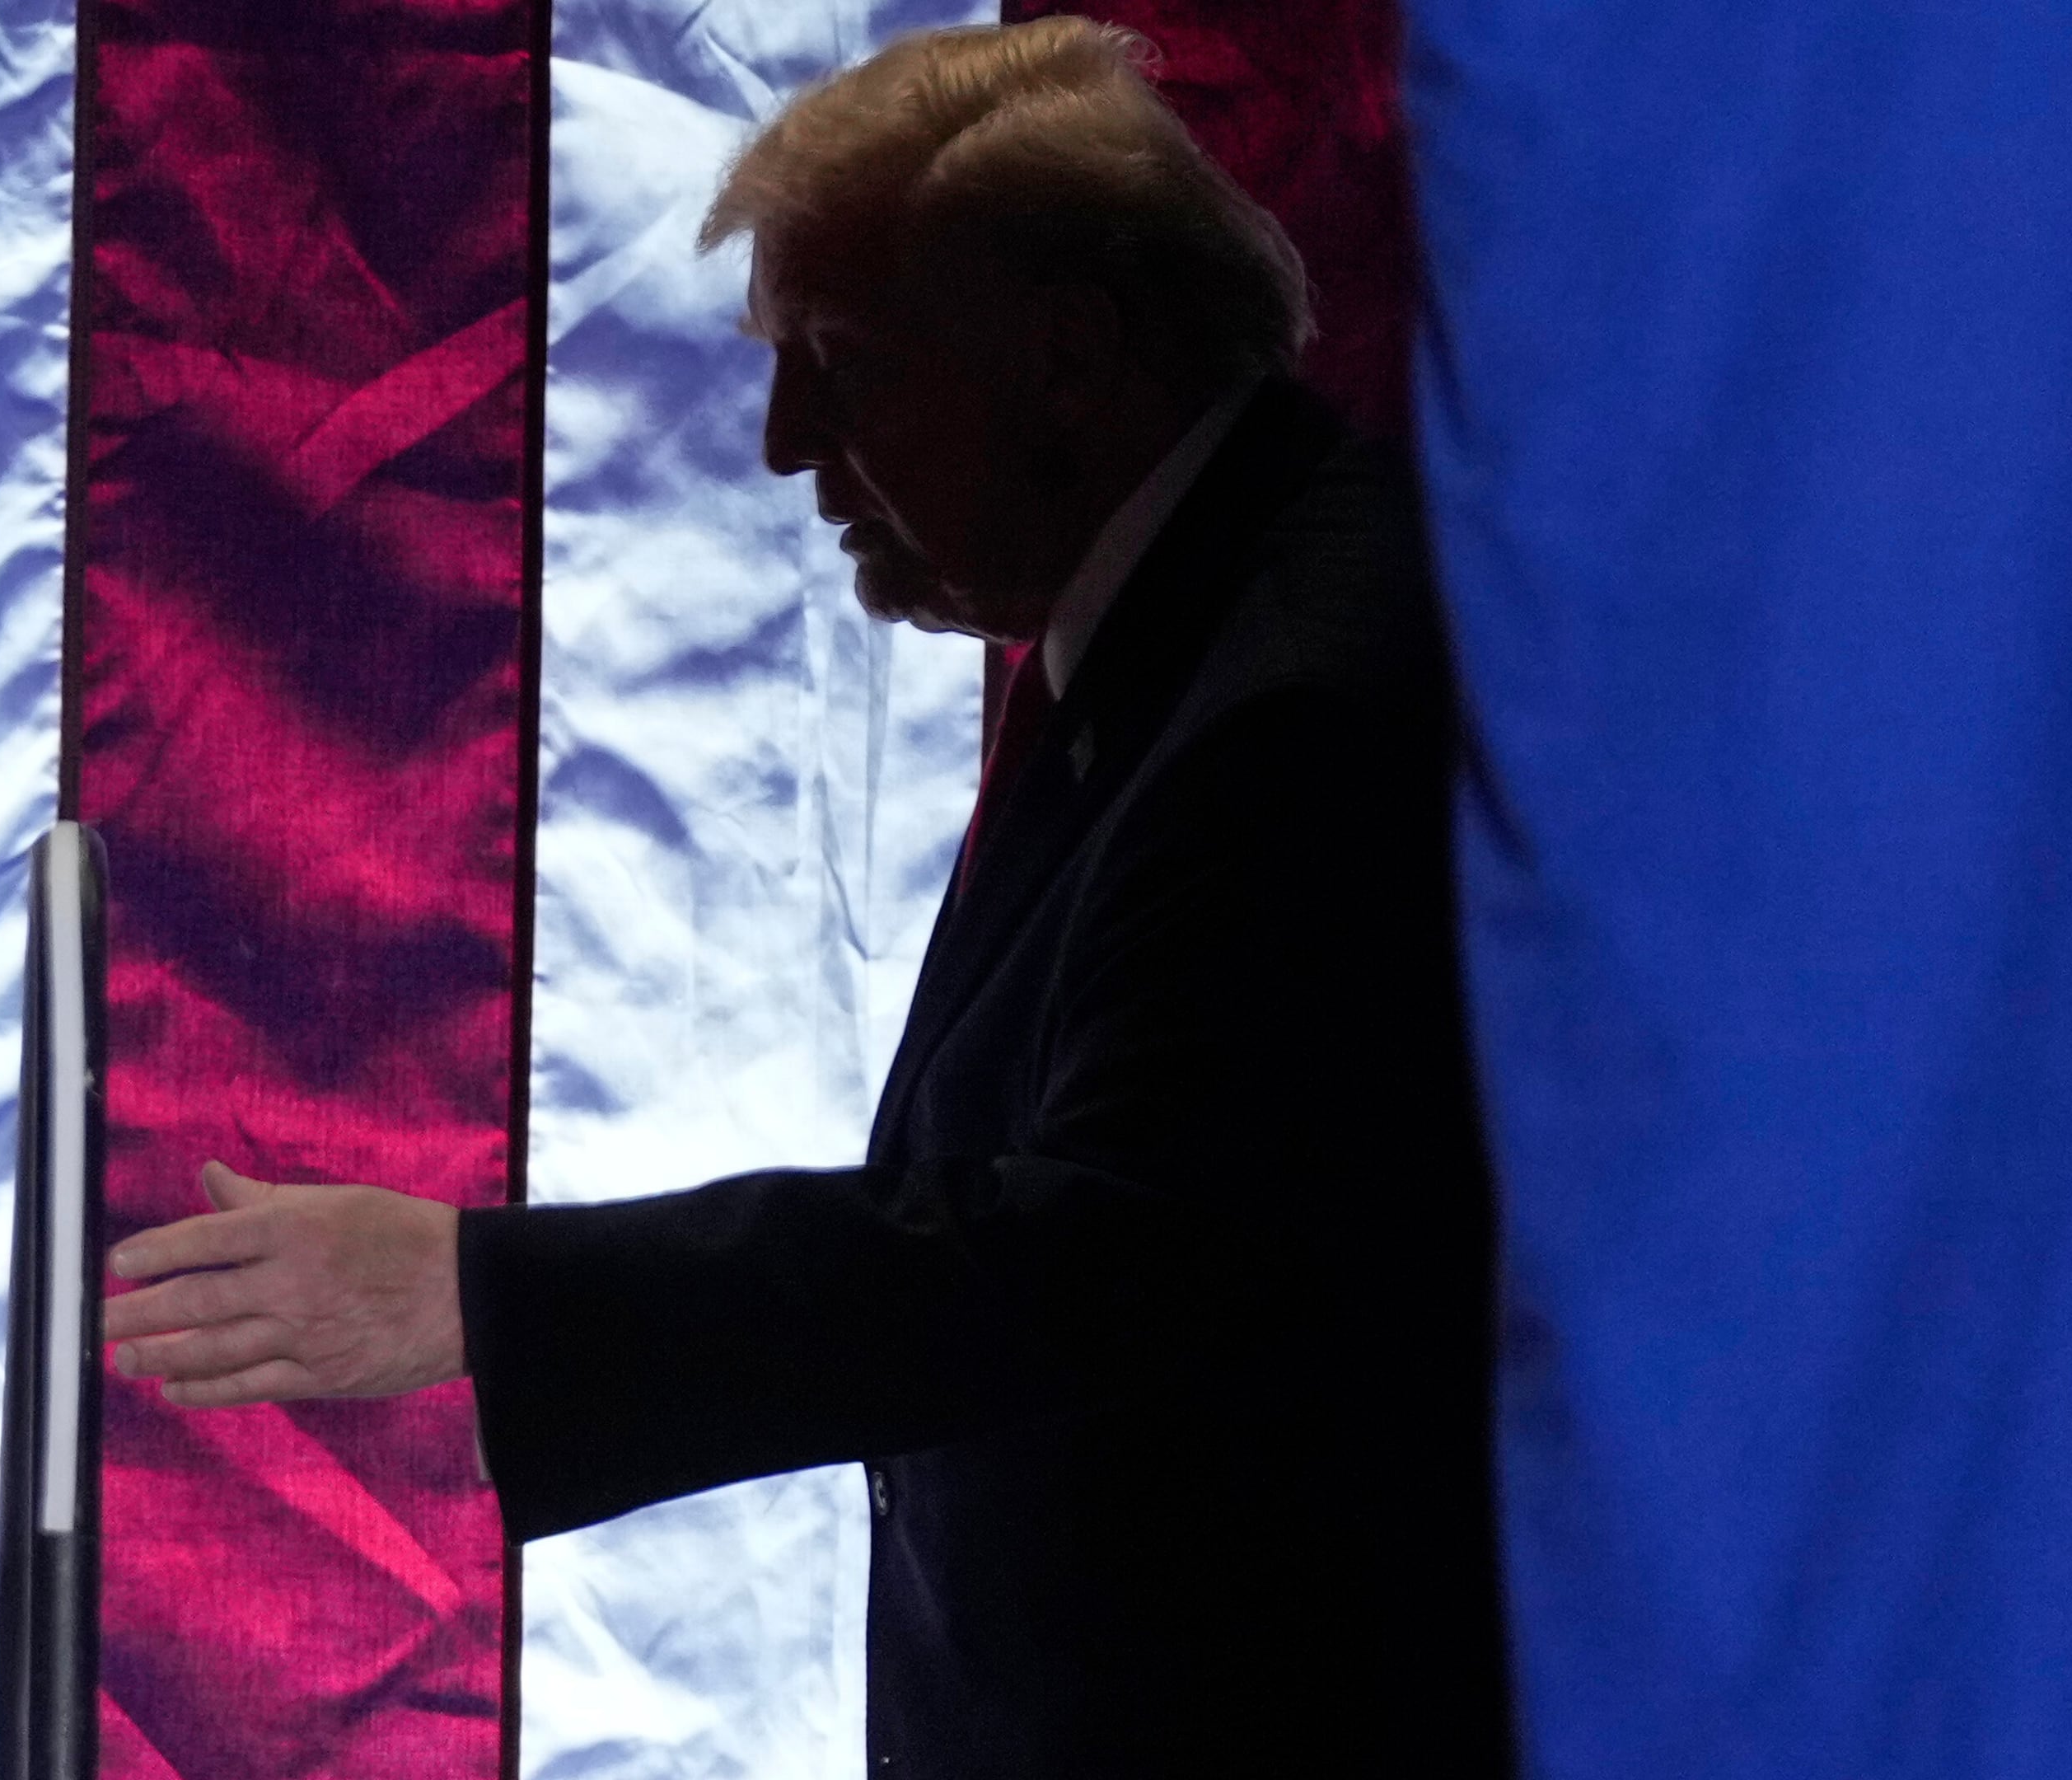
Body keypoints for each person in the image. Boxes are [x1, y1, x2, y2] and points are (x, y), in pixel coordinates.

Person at [101, 19, 1508, 1777]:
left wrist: (480, 1292)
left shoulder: (1298, 695)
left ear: (1068, 359)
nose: (783, 447)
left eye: (845, 365)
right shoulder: (1190, 634)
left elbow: (1102, 1264)